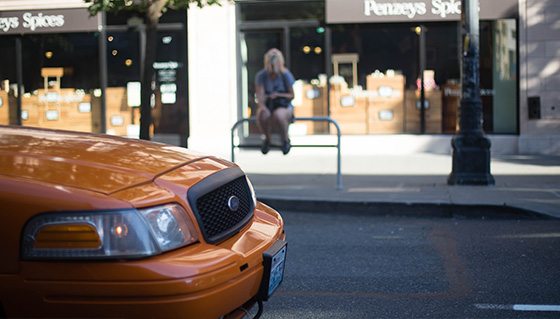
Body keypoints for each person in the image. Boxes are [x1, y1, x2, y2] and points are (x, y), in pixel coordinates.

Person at [255, 48, 295, 155]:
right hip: (268, 104)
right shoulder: (261, 75)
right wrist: (263, 107)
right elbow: (260, 95)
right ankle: (267, 139)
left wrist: (278, 95)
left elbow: (292, 95)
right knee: (262, 114)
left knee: (279, 115)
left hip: (283, 105)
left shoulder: (285, 74)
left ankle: (285, 139)